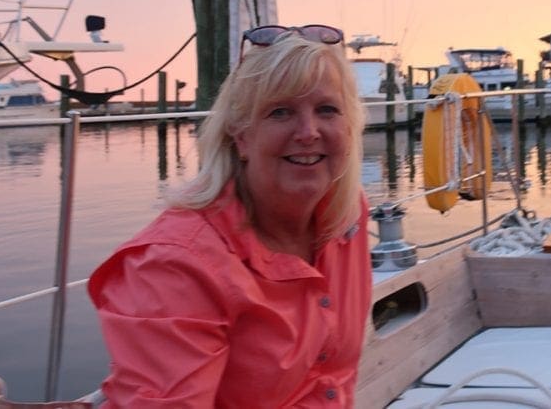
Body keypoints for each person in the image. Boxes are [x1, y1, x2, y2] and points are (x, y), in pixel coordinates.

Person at [89, 24, 371, 408]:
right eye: (281, 112)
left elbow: (335, 378)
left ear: (351, 127)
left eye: (327, 110)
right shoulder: (176, 266)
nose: (308, 132)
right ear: (241, 137)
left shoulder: (346, 215)